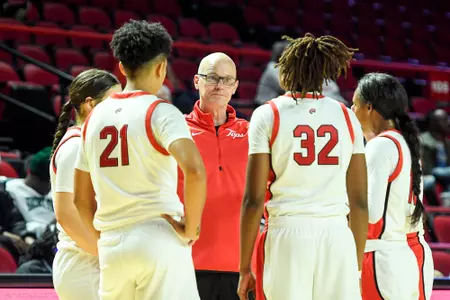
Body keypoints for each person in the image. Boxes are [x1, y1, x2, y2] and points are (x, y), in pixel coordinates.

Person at [73, 20, 207, 300]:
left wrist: (102, 242)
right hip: (157, 235)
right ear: (162, 68)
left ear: (120, 68)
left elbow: (80, 200)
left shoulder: (93, 118)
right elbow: (194, 170)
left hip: (111, 243)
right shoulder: (161, 112)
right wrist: (190, 227)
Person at [238, 33, 368, 300]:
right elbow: (360, 202)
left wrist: (243, 268)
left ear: (285, 71)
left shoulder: (268, 114)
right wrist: (353, 263)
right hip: (336, 235)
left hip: (288, 233)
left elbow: (253, 200)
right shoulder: (347, 116)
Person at [351, 73, 434, 300]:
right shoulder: (404, 142)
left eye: (354, 104)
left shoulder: (380, 146)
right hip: (409, 252)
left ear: (368, 107)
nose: (351, 111)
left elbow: (371, 213)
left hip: (383, 257)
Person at [176, 52, 250, 300]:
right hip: (187, 262)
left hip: (242, 265)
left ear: (236, 86)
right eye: (212, 77)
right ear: (197, 81)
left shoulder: (253, 133)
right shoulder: (176, 131)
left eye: (227, 80)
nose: (219, 85)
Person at [50, 69, 122, 300]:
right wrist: (105, 254)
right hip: (82, 265)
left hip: (96, 260)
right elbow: (66, 215)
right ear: (90, 105)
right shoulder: (74, 146)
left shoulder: (91, 142)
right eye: (114, 102)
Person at [5, 147, 53, 239]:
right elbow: (14, 224)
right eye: (48, 183)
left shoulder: (56, 194)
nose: (51, 187)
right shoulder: (8, 189)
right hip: (31, 240)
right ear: (33, 176)